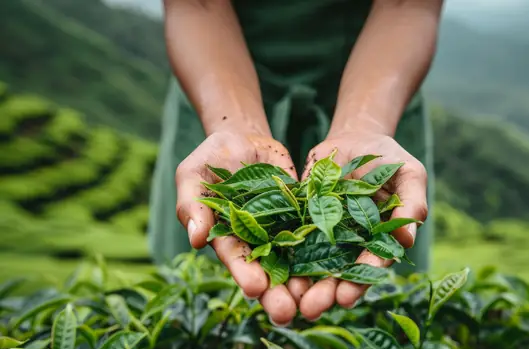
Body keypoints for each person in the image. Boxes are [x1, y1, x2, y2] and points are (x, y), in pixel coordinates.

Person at [149, 0, 444, 326]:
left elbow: (406, 6)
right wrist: (233, 124)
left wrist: (364, 125)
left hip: (381, 91)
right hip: (214, 88)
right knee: (200, 316)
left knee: (378, 318)